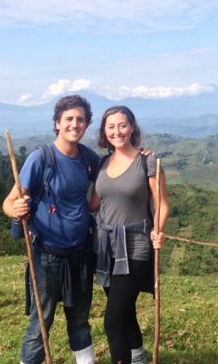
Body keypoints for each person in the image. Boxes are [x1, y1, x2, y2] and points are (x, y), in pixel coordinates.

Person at [2, 95, 101, 364]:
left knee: (80, 321)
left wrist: (140, 156)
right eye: (69, 119)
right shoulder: (41, 158)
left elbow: (113, 172)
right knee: (41, 324)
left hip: (81, 255)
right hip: (47, 256)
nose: (75, 124)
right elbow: (9, 202)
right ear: (57, 123)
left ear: (86, 124)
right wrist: (17, 210)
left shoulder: (87, 158)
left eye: (81, 119)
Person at [89, 106, 169, 364]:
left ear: (132, 127)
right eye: (110, 127)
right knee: (125, 312)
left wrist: (159, 231)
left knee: (112, 322)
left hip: (135, 247)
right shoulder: (102, 163)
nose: (117, 131)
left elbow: (162, 204)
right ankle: (138, 357)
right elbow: (94, 203)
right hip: (105, 248)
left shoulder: (148, 161)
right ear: (104, 132)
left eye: (122, 125)